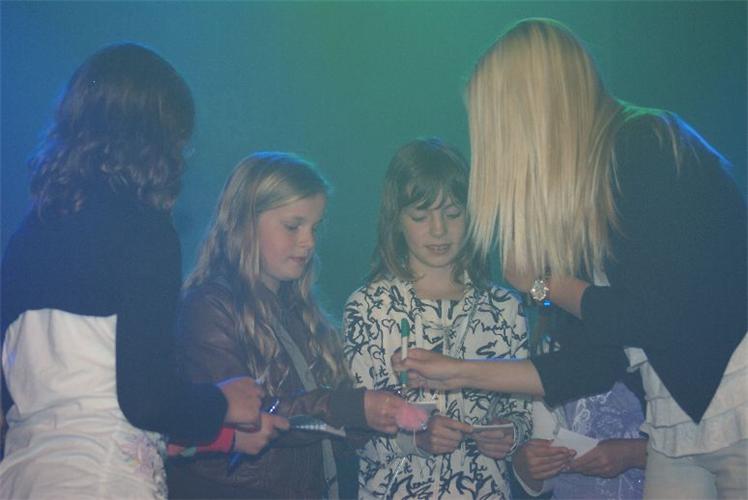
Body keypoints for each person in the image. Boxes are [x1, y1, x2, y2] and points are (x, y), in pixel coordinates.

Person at [395, 19, 747, 499]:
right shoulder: (585, 199)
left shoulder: (645, 143)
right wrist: (456, 370)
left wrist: (547, 283)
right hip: (678, 421)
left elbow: (656, 315)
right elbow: (593, 361)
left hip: (736, 398)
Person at [0, 43, 263, 499]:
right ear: (154, 139)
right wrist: (222, 402)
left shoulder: (28, 237)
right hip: (100, 479)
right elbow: (145, 399)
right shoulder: (146, 233)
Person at [166, 152, 410, 499]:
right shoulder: (209, 306)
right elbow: (250, 415)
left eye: (314, 227)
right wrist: (350, 407)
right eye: (293, 226)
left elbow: (324, 428)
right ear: (245, 223)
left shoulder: (299, 312)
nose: (309, 241)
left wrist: (381, 411)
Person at [344, 138, 532, 499]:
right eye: (420, 215)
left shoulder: (504, 306)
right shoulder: (369, 307)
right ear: (396, 220)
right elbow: (354, 431)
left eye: (453, 213)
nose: (438, 230)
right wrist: (415, 438)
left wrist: (510, 432)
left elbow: (523, 408)